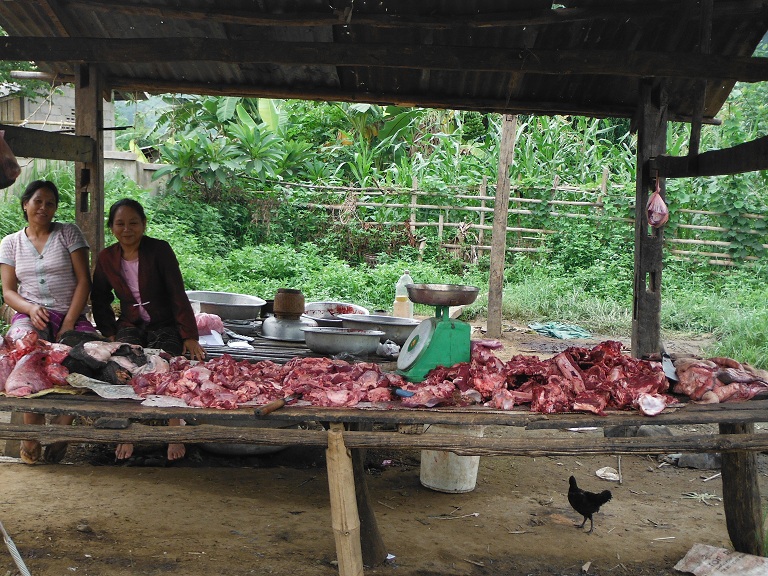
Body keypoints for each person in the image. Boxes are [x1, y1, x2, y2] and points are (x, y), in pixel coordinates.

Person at [91, 198, 205, 462]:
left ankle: (174, 426)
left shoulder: (160, 250)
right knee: (125, 364)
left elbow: (177, 292)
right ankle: (127, 429)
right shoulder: (107, 257)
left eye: (133, 223)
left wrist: (189, 335)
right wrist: (109, 332)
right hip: (131, 323)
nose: (127, 229)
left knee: (167, 363)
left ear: (144, 224)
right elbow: (100, 297)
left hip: (164, 322)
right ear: (112, 227)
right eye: (120, 223)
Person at [0, 180, 96, 465]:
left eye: (50, 203)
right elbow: (8, 292)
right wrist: (30, 309)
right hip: (29, 315)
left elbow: (84, 280)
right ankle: (30, 435)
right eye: (38, 201)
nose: (44, 208)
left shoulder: (68, 233)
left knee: (89, 358)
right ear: (25, 204)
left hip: (71, 314)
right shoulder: (10, 243)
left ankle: (62, 428)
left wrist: (68, 322)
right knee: (24, 357)